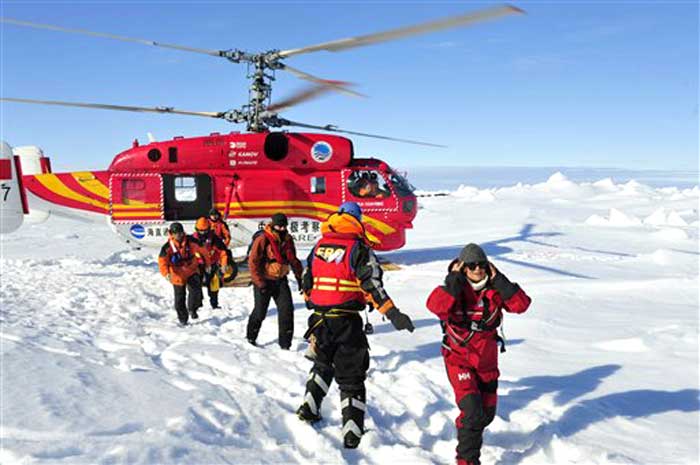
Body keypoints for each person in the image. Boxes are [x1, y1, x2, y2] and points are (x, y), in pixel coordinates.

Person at [296, 201, 415, 449]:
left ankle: (309, 407)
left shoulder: (319, 245)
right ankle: (352, 431)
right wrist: (393, 314)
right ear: (357, 220)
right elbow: (372, 285)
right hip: (346, 321)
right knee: (351, 375)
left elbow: (308, 278)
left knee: (323, 363)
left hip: (319, 319)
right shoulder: (358, 248)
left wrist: (311, 299)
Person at [426, 244, 531, 465]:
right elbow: (435, 306)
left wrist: (500, 280)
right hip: (458, 359)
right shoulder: (453, 289)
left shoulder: (495, 290)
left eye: (481, 265)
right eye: (471, 266)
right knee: (473, 413)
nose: (477, 270)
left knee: (485, 415)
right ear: (463, 268)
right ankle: (467, 460)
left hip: (487, 362)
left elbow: (521, 305)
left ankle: (467, 428)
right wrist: (453, 280)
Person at [246, 213, 303, 349]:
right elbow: (253, 262)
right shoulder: (263, 239)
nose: (282, 229)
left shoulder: (288, 240)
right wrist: (259, 283)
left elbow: (293, 260)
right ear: (273, 225)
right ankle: (250, 337)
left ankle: (285, 344)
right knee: (260, 312)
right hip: (264, 280)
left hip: (280, 280)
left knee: (287, 310)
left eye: (284, 226)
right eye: (279, 226)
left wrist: (300, 277)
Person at [158, 222, 212, 325]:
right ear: (171, 234)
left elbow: (203, 251)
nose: (178, 235)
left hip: (191, 270)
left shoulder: (192, 241)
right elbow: (162, 262)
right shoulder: (167, 247)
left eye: (180, 232)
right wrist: (166, 273)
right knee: (179, 299)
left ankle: (192, 309)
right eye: (175, 233)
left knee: (195, 291)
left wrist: (208, 264)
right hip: (177, 274)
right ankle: (183, 319)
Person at [192, 216, 229, 309]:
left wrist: (224, 264)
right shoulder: (193, 239)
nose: (203, 233)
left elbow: (223, 252)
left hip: (212, 264)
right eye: (200, 231)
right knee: (196, 284)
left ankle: (214, 304)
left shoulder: (215, 238)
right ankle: (198, 303)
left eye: (205, 231)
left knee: (214, 284)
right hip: (197, 265)